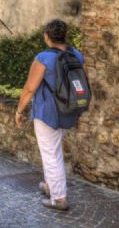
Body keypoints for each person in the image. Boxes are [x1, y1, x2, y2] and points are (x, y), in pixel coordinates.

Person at [15, 19, 84, 211]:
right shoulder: (77, 55)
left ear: (47, 36)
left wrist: (20, 110)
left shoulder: (43, 58)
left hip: (48, 113)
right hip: (69, 110)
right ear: (65, 36)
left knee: (51, 153)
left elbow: (30, 89)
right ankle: (49, 185)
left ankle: (59, 198)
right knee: (54, 149)